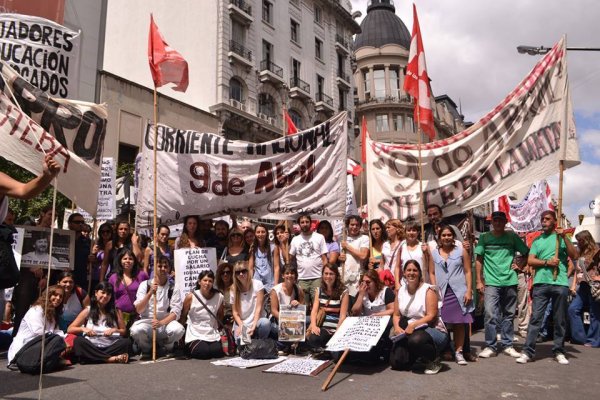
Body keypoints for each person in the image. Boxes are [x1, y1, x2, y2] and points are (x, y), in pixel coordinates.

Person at [516, 211, 578, 365]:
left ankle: (559, 350)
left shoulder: (562, 239)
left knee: (559, 319)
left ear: (555, 221)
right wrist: (546, 263)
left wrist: (564, 237)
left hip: (560, 282)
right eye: (542, 219)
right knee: (536, 318)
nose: (544, 221)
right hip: (541, 283)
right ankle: (527, 351)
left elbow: (574, 255)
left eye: (547, 219)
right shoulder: (537, 241)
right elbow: (530, 260)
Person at [475, 211, 529, 359]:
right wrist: (479, 281)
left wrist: (520, 265)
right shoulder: (484, 237)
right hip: (491, 282)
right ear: (491, 222)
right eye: (495, 220)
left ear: (505, 222)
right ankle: (490, 345)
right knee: (490, 314)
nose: (497, 223)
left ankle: (508, 344)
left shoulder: (512, 236)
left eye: (500, 220)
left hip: (510, 280)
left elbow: (526, 252)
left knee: (509, 314)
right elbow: (479, 259)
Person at [389, 260, 449, 374]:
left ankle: (434, 360)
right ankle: (418, 357)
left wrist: (414, 324)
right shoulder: (400, 291)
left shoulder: (428, 290)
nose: (411, 273)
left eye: (415, 270)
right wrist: (396, 327)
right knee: (397, 363)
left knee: (415, 340)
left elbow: (431, 316)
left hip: (431, 328)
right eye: (409, 270)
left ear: (420, 273)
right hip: (409, 328)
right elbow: (396, 314)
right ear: (404, 273)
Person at [431, 225, 473, 365]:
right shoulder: (434, 253)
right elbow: (431, 272)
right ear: (439, 238)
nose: (446, 238)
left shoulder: (461, 251)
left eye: (449, 235)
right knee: (443, 323)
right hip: (442, 292)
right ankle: (447, 349)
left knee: (459, 323)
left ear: (453, 237)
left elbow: (467, 271)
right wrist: (434, 289)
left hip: (458, 291)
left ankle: (459, 352)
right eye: (444, 235)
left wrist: (468, 290)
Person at [130, 256, 184, 357]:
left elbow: (175, 312)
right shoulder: (144, 285)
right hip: (148, 322)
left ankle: (167, 348)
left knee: (179, 330)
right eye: (159, 266)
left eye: (165, 266)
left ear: (169, 269)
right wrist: (150, 293)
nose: (163, 269)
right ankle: (147, 349)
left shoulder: (173, 287)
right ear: (154, 267)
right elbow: (139, 309)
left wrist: (161, 323)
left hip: (165, 323)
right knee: (136, 330)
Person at [68, 282, 130, 364]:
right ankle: (110, 359)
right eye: (103, 292)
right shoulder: (88, 310)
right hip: (92, 345)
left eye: (108, 294)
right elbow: (70, 329)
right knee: (78, 341)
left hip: (110, 345)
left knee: (126, 342)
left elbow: (123, 331)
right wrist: (84, 329)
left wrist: (114, 330)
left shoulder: (116, 311)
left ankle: (93, 358)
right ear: (96, 293)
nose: (105, 296)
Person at [7, 285, 66, 366]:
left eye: (61, 296)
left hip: (39, 346)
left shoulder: (52, 313)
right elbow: (39, 333)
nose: (58, 298)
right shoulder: (36, 310)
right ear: (48, 295)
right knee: (57, 340)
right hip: (25, 349)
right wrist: (59, 339)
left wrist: (65, 338)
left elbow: (55, 331)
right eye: (55, 295)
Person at [350, 269, 394, 362]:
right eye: (363, 282)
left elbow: (393, 309)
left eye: (368, 282)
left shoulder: (386, 291)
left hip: (383, 322)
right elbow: (355, 312)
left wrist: (378, 315)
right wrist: (361, 295)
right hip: (368, 325)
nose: (366, 285)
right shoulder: (362, 292)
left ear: (375, 282)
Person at [181, 270, 225, 359]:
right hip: (195, 333)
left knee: (217, 352)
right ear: (199, 281)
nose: (207, 283)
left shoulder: (219, 297)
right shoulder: (190, 297)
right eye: (205, 280)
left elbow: (220, 315)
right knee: (203, 352)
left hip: (211, 332)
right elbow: (183, 316)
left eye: (210, 281)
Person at [306, 264, 349, 351]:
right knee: (313, 338)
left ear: (336, 276)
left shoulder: (343, 291)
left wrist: (338, 332)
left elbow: (343, 316)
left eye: (331, 274)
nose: (328, 276)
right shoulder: (319, 290)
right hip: (322, 327)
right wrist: (314, 326)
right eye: (326, 273)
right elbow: (314, 311)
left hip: (336, 327)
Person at [568, 230, 600, 347]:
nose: (579, 243)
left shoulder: (596, 251)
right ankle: (580, 337)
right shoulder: (579, 252)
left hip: (593, 284)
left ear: (587, 239)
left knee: (594, 313)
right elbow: (578, 270)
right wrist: (573, 285)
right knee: (572, 309)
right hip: (582, 285)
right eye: (578, 241)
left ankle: (594, 340)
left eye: (580, 240)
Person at [289, 213, 328, 308]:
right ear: (299, 224)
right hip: (302, 279)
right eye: (302, 222)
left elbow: (324, 259)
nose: (305, 224)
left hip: (317, 277)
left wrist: (324, 276)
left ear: (310, 223)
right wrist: (283, 243)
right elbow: (289, 259)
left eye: (307, 222)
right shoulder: (295, 239)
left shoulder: (319, 237)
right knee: (303, 307)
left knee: (317, 306)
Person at [108, 248, 149, 331]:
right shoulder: (113, 278)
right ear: (120, 261)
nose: (128, 261)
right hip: (118, 317)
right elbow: (109, 297)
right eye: (125, 258)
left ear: (134, 261)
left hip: (137, 316)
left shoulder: (142, 275)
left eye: (130, 259)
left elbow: (149, 293)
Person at [231, 261, 270, 342]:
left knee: (265, 323)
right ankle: (251, 341)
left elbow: (258, 308)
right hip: (242, 322)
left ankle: (260, 342)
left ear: (248, 271)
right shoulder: (233, 289)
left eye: (243, 271)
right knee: (239, 342)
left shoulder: (257, 284)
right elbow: (235, 312)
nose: (241, 274)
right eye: (238, 272)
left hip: (257, 321)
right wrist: (241, 325)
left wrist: (253, 326)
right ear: (235, 275)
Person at [270, 265, 305, 346]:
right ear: (282, 275)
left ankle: (288, 342)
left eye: (292, 273)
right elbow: (274, 311)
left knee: (309, 320)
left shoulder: (299, 289)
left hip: (294, 320)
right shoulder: (275, 290)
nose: (290, 275)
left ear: (295, 275)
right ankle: (284, 343)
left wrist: (299, 304)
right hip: (279, 321)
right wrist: (286, 320)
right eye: (287, 273)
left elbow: (303, 308)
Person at [339, 215, 369, 297]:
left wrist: (347, 247)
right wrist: (340, 258)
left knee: (355, 300)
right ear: (348, 225)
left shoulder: (364, 238)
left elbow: (363, 255)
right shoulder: (342, 238)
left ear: (360, 226)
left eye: (357, 225)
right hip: (344, 276)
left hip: (358, 276)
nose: (354, 227)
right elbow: (341, 257)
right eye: (352, 225)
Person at [68, 212, 93, 289]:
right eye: (77, 222)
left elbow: (90, 260)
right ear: (69, 224)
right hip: (65, 277)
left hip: (80, 279)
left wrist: (92, 259)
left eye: (82, 222)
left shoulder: (88, 242)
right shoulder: (62, 238)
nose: (80, 224)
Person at [248, 223, 276, 291]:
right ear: (255, 234)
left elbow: (276, 267)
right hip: (257, 281)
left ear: (267, 233)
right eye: (258, 232)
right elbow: (250, 267)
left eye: (263, 232)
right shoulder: (253, 248)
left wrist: (276, 285)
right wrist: (250, 283)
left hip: (270, 282)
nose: (260, 234)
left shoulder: (273, 247)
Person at [215, 262, 234, 327]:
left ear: (231, 273)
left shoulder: (235, 289)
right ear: (220, 275)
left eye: (228, 272)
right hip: (219, 321)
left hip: (232, 321)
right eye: (222, 273)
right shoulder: (217, 290)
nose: (225, 274)